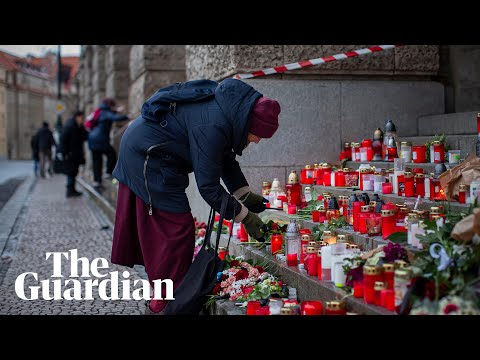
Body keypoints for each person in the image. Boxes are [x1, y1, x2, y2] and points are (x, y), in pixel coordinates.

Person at [111, 79, 281, 314]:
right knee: (174, 231)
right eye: (257, 134)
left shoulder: (228, 113)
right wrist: (246, 217)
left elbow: (223, 157)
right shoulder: (212, 125)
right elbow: (209, 187)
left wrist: (244, 193)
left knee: (174, 230)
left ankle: (171, 294)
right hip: (146, 157)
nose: (257, 140)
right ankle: (164, 303)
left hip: (158, 155)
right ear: (248, 122)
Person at [87, 98, 128, 190]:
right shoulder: (105, 112)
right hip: (100, 139)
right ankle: (108, 173)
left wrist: (116, 111)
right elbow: (115, 118)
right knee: (111, 154)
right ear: (110, 105)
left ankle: (97, 182)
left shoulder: (100, 111)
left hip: (92, 138)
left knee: (97, 161)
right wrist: (127, 116)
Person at [59, 110, 88, 198]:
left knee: (74, 172)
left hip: (75, 154)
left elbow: (84, 135)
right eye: (82, 118)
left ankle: (72, 189)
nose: (82, 120)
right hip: (70, 154)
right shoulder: (70, 126)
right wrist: (65, 153)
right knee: (71, 172)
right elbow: (63, 140)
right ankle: (69, 191)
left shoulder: (77, 125)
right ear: (77, 117)